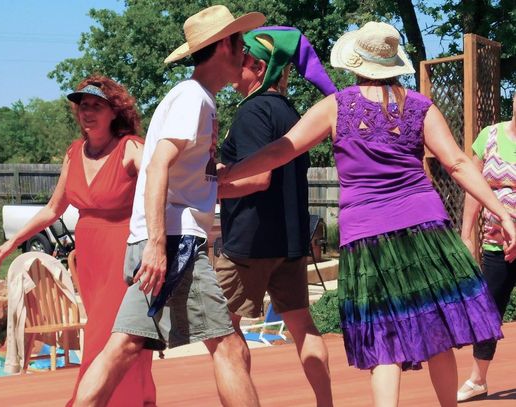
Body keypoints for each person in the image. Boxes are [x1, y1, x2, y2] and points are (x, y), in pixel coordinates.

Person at [218, 21, 516, 407]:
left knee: (384, 341)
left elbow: (281, 151)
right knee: (438, 332)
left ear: (356, 64)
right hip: (428, 233)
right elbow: (458, 163)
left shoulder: (336, 107)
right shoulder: (420, 107)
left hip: (369, 236)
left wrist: (224, 176)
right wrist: (505, 215)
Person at [72, 6, 266, 407]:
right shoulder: (193, 99)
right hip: (174, 242)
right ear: (221, 46)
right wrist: (158, 246)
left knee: (122, 347)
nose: (245, 53)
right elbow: (157, 166)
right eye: (239, 43)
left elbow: (184, 179)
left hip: (163, 239)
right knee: (227, 346)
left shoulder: (196, 99)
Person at [0, 75, 156, 406]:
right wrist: (11, 242)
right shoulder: (74, 152)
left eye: (96, 105)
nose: (87, 112)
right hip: (92, 257)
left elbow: (162, 185)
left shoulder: (131, 147)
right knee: (117, 336)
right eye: (82, 106)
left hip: (126, 254)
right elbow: (53, 208)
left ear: (114, 112)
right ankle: (138, 400)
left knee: (107, 337)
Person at [216, 26, 336, 406]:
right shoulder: (290, 111)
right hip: (290, 242)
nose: (235, 68)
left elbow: (258, 176)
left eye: (241, 60)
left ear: (258, 65)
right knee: (303, 326)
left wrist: (207, 189)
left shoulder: (253, 111)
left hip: (248, 246)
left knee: (223, 334)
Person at [456, 92, 516, 402]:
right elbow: (472, 187)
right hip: (496, 248)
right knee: (489, 314)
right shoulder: (489, 136)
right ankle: (478, 380)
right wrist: (467, 235)